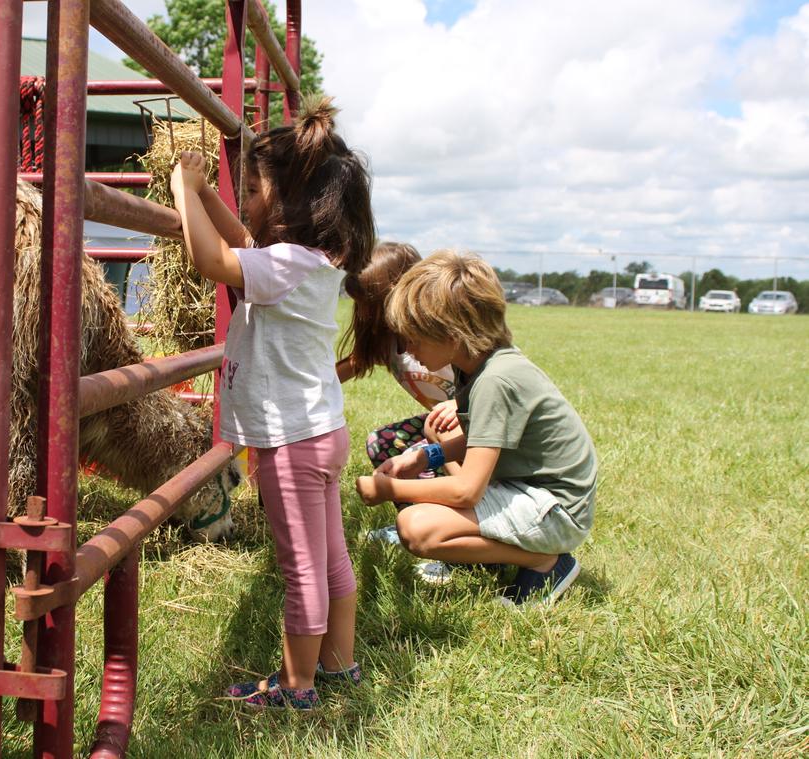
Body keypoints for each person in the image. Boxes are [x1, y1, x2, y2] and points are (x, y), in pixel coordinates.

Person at [170, 97, 374, 710]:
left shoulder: (286, 265)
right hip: (320, 432)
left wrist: (182, 184)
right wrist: (207, 197)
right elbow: (238, 244)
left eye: (253, 187)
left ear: (288, 204)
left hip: (291, 441)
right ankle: (337, 666)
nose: (247, 198)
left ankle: (296, 687)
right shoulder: (309, 261)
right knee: (330, 558)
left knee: (302, 570)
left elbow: (212, 258)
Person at [355, 250, 597, 605]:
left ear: (452, 335)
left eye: (415, 337)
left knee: (417, 529)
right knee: (434, 444)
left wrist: (389, 488)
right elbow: (479, 439)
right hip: (529, 491)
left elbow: (467, 491)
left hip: (557, 510)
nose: (407, 347)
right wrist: (426, 458)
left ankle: (544, 560)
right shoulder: (474, 365)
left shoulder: (496, 380)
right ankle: (506, 552)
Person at [336, 241, 467, 585]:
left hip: (477, 428)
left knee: (431, 455)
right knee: (384, 443)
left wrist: (460, 404)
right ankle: (415, 521)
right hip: (443, 428)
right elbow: (351, 366)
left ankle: (452, 543)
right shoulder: (386, 340)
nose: (362, 312)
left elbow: (483, 371)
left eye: (370, 302)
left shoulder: (438, 334)